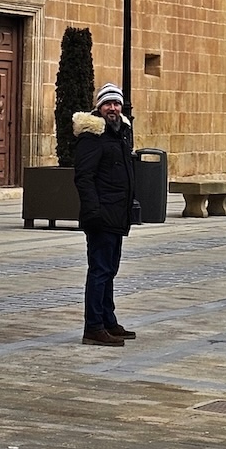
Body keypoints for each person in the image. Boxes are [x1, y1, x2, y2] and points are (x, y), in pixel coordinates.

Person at [73, 82, 136, 347]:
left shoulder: (120, 133)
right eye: (108, 103)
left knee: (109, 270)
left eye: (117, 103)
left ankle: (108, 320)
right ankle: (94, 327)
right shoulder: (93, 136)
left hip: (117, 213)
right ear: (99, 107)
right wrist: (94, 212)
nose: (113, 108)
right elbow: (84, 177)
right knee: (99, 270)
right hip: (101, 215)